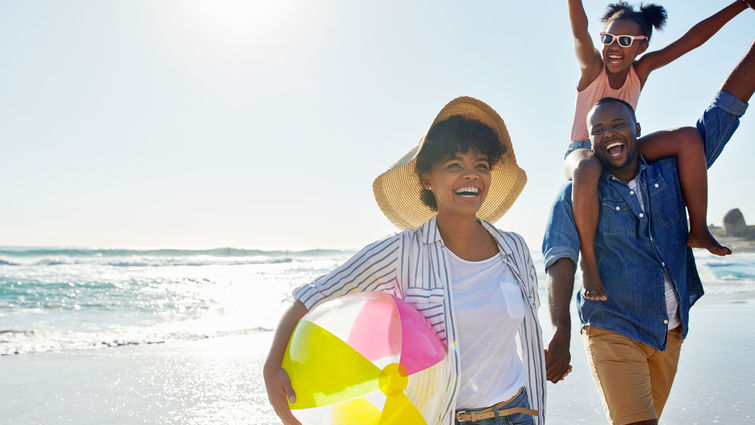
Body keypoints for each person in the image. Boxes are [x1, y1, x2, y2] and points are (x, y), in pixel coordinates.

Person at [264, 97, 548, 425]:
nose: (471, 175)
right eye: (455, 164)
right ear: (428, 178)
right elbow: (315, 294)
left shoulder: (514, 248)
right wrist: (272, 366)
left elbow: (520, 327)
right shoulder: (403, 252)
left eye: (480, 165)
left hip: (519, 412)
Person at [543, 40, 754, 425]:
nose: (609, 135)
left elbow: (725, 111)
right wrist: (560, 330)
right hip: (612, 328)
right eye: (598, 130)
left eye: (618, 124)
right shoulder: (577, 193)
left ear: (637, 129)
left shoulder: (673, 174)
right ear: (589, 142)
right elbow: (560, 256)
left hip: (669, 332)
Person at [565, 0, 753, 302]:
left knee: (690, 138)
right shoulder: (592, 68)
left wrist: (741, 5)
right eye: (608, 39)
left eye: (624, 41)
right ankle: (588, 263)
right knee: (587, 167)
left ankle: (699, 229)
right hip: (584, 149)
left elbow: (691, 41)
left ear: (641, 47)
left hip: (624, 148)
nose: (614, 47)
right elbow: (579, 31)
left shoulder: (641, 70)